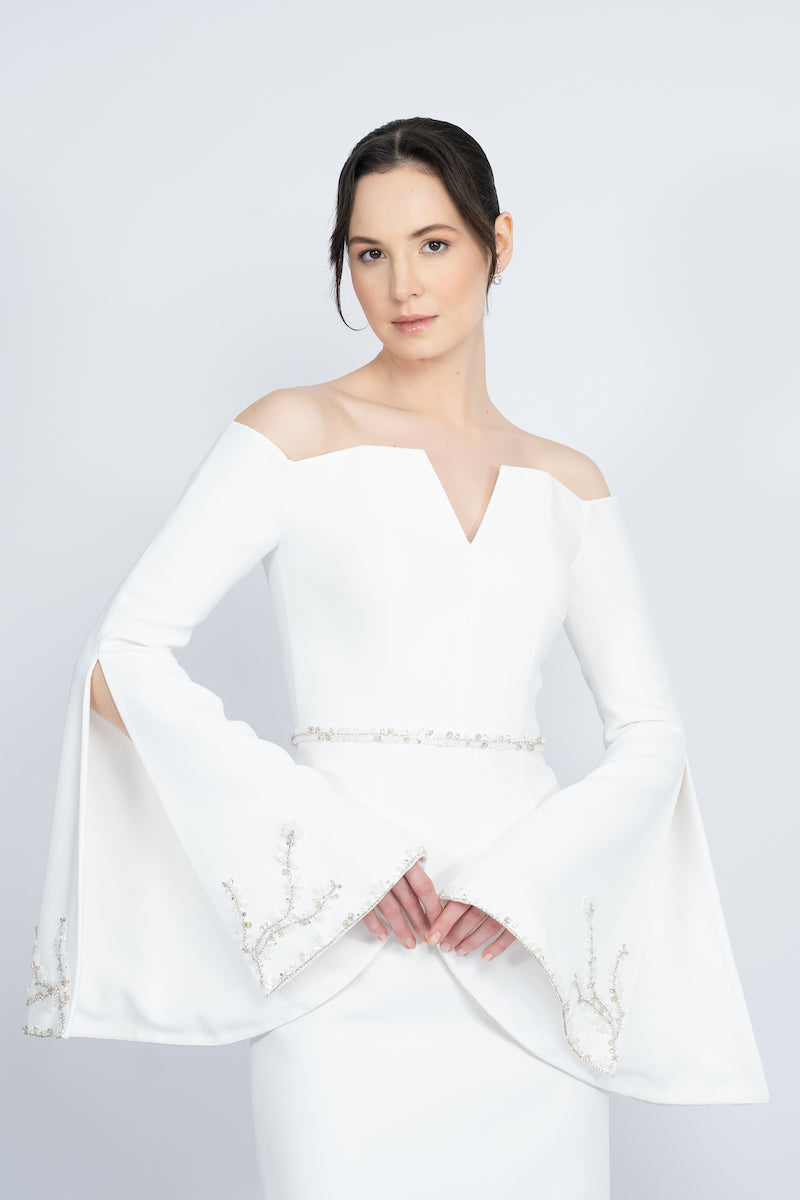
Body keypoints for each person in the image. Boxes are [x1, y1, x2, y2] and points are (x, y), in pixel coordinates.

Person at [25, 116, 768, 1200]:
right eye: (367, 253)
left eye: (433, 244)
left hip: (515, 967)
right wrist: (335, 854)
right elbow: (119, 662)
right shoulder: (294, 430)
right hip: (343, 958)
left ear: (497, 242)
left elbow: (652, 737)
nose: (401, 284)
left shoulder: (567, 483)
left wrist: (527, 885)